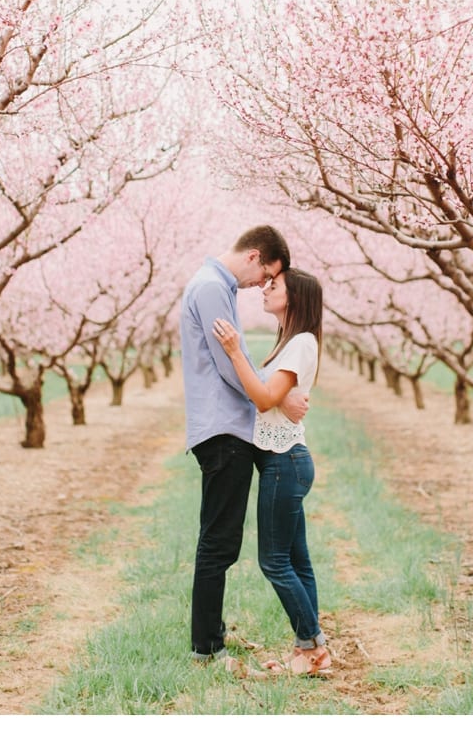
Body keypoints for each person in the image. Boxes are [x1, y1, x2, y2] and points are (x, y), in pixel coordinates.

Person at [179, 225, 307, 667]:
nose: (261, 285)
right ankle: (206, 649)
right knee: (218, 542)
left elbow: (238, 357)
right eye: (265, 274)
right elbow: (229, 363)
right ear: (254, 256)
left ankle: (211, 637)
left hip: (228, 428)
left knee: (222, 540)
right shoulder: (214, 287)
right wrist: (274, 395)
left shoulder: (214, 285)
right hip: (223, 430)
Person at [213, 267, 332, 677]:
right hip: (285, 460)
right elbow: (275, 397)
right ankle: (310, 650)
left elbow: (264, 399)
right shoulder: (291, 341)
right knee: (297, 562)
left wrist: (233, 352)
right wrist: (280, 400)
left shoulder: (299, 343)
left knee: (274, 562)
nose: (265, 288)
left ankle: (313, 646)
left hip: (285, 463)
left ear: (294, 298)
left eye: (274, 285)